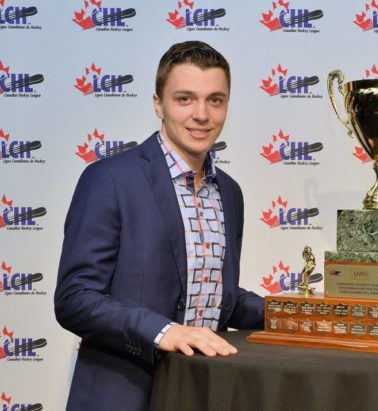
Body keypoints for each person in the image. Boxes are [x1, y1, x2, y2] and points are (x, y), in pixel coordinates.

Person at [54, 41, 264, 411]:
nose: (201, 114)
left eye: (215, 100)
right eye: (185, 99)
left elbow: (216, 299)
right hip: (123, 393)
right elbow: (75, 299)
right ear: (158, 104)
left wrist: (292, 312)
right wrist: (164, 331)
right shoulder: (109, 179)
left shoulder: (229, 192)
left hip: (204, 390)